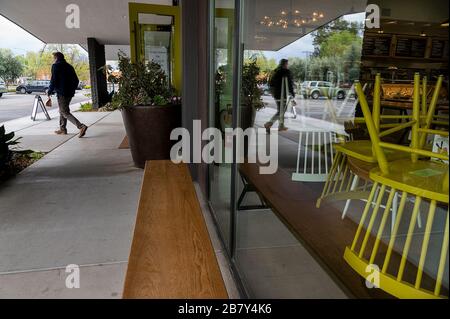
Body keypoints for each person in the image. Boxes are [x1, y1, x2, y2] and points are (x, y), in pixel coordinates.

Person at [47, 52, 88, 137]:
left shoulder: (56, 66)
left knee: (64, 111)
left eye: (53, 58)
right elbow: (76, 80)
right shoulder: (69, 66)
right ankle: (63, 129)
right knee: (62, 110)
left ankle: (81, 126)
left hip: (62, 93)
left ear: (56, 58)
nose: (53, 60)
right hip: (69, 93)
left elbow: (53, 80)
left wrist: (49, 91)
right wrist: (72, 89)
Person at [264, 59, 296, 133]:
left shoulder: (276, 71)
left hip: (276, 94)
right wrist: (292, 94)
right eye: (287, 64)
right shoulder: (286, 72)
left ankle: (281, 125)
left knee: (281, 110)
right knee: (281, 111)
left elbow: (271, 83)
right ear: (285, 64)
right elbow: (289, 84)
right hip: (282, 94)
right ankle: (269, 124)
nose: (287, 65)